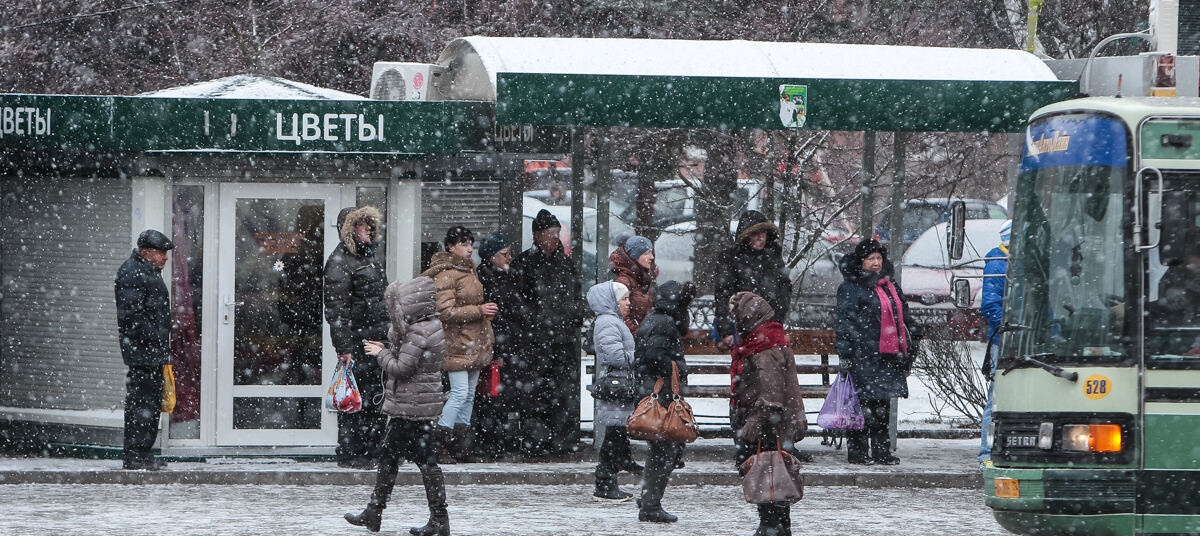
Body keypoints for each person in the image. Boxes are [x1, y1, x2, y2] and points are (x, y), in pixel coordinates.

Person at [344, 276, 449, 535]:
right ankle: (380, 512)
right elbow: (413, 359)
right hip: (419, 404)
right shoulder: (430, 325)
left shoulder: (417, 331)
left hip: (411, 406)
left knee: (405, 459)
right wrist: (388, 347)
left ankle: (382, 512)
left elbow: (402, 368)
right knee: (405, 458)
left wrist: (380, 354)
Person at [835, 238, 922, 465]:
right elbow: (844, 322)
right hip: (862, 354)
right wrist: (845, 353)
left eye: (879, 258)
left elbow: (902, 313)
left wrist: (914, 330)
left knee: (882, 404)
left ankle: (882, 451)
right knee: (861, 404)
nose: (876, 263)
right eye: (870, 259)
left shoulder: (889, 285)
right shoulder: (851, 288)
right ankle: (858, 452)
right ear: (860, 262)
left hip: (887, 355)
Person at [729, 291, 808, 536]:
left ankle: (770, 526)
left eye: (737, 316)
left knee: (767, 473)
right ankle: (779, 527)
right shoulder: (767, 338)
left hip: (767, 421)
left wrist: (753, 424)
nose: (735, 321)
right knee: (776, 473)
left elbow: (771, 391)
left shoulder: (764, 344)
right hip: (774, 420)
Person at [510, 209, 588, 456]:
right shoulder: (524, 264)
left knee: (564, 392)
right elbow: (517, 304)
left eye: (558, 233)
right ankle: (536, 441)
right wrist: (536, 325)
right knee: (536, 393)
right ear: (537, 235)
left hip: (563, 341)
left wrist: (574, 316)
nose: (556, 238)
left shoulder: (565, 263)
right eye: (551, 233)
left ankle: (563, 440)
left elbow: (576, 296)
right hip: (536, 342)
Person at [421, 226, 496, 464]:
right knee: (460, 393)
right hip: (456, 343)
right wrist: (479, 310)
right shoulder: (446, 274)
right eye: (464, 244)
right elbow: (445, 311)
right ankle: (440, 443)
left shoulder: (469, 271)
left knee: (469, 395)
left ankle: (460, 445)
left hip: (472, 342)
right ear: (451, 247)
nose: (470, 248)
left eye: (471, 243)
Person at [324, 206, 389, 469]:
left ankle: (372, 450)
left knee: (375, 396)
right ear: (351, 229)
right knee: (356, 399)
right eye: (363, 225)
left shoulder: (368, 257)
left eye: (369, 224)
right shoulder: (340, 262)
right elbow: (336, 310)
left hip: (375, 340)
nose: (368, 229)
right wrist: (344, 347)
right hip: (358, 341)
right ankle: (353, 453)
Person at [633, 280, 697, 524]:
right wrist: (678, 368)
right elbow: (654, 356)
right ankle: (650, 505)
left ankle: (648, 499)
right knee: (665, 451)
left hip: (655, 391)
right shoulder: (664, 322)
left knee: (661, 450)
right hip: (662, 395)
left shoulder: (657, 319)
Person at [114, 229, 175, 470]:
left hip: (150, 352)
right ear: (146, 253)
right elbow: (131, 317)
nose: (165, 257)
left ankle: (142, 453)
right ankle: (135, 455)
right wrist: (156, 338)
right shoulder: (133, 273)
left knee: (149, 404)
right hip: (143, 353)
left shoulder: (146, 271)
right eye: (161, 253)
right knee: (142, 405)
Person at [588, 281, 638, 502]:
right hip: (617, 385)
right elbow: (615, 356)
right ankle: (605, 485)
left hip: (618, 384)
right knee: (613, 435)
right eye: (624, 299)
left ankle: (616, 469)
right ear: (611, 301)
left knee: (616, 432)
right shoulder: (608, 322)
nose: (628, 303)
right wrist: (639, 355)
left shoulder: (612, 321)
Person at [714, 210, 793, 350]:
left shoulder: (773, 258)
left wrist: (775, 319)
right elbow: (723, 296)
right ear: (746, 236)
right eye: (755, 234)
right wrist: (726, 330)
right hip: (742, 328)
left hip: (770, 328)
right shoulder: (731, 259)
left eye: (763, 233)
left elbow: (784, 290)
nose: (761, 238)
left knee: (771, 361)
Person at [474, 233, 522, 458]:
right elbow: (496, 316)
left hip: (507, 342)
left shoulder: (507, 276)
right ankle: (489, 440)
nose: (509, 257)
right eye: (504, 253)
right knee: (490, 394)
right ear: (491, 256)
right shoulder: (484, 279)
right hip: (495, 343)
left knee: (499, 393)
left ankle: (497, 439)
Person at [979, 220, 1010, 463]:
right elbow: (990, 305)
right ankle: (987, 452)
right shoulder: (999, 263)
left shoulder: (1006, 260)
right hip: (1005, 340)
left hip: (1013, 338)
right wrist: (1011, 328)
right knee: (997, 398)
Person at [609, 235, 658, 334]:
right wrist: (639, 335)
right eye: (647, 253)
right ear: (635, 256)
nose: (652, 257)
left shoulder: (642, 279)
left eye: (651, 253)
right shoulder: (624, 282)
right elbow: (620, 317)